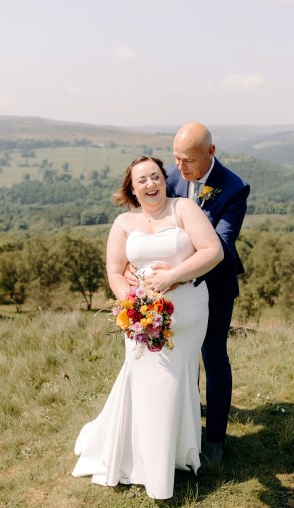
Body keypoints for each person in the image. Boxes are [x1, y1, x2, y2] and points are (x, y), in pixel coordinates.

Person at [72, 155, 223, 500]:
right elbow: (114, 271)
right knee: (143, 379)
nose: (150, 184)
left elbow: (213, 251)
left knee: (172, 380)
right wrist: (135, 303)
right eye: (142, 180)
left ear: (163, 181)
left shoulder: (183, 208)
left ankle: (173, 454)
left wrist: (172, 275)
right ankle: (145, 459)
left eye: (155, 176)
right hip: (141, 314)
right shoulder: (124, 223)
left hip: (186, 308)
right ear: (132, 189)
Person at [166, 122, 250, 468]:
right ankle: (183, 427)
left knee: (213, 355)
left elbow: (220, 245)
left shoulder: (233, 187)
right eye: (176, 158)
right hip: (174, 286)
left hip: (215, 284)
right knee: (181, 354)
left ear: (211, 152)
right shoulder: (169, 177)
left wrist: (176, 271)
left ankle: (215, 438)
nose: (181, 168)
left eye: (189, 160)